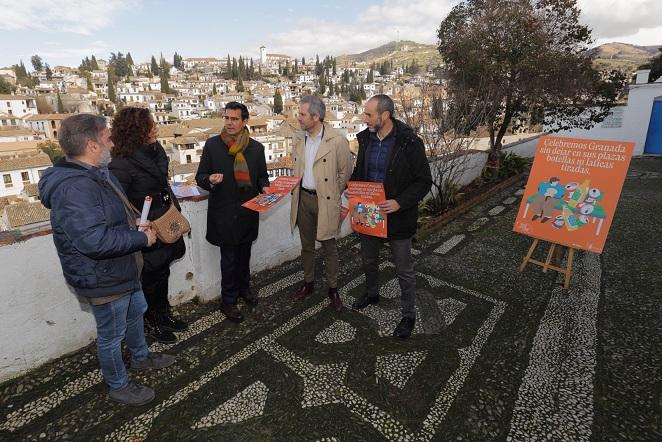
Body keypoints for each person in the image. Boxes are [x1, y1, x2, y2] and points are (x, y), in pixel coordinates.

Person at [39, 114, 175, 406]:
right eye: (107, 137)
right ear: (91, 144)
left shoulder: (96, 172)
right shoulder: (74, 187)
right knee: (111, 335)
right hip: (102, 275)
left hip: (122, 267)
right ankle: (118, 384)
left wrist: (135, 220)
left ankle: (140, 357)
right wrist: (142, 238)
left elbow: (113, 216)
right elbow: (93, 240)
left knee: (137, 311)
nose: (113, 142)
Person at [348, 94, 432, 339]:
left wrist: (399, 202)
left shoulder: (409, 142)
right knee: (368, 260)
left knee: (404, 270)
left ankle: (408, 315)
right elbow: (360, 171)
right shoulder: (365, 140)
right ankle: (372, 293)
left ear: (385, 116)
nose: (364, 119)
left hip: (398, 216)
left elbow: (423, 181)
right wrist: (352, 188)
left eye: (369, 114)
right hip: (368, 213)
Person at [109, 107, 188, 344]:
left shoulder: (155, 151)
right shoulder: (121, 164)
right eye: (149, 125)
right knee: (148, 279)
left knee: (162, 273)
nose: (155, 128)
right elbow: (118, 202)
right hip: (146, 229)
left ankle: (163, 315)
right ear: (135, 131)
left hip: (165, 221)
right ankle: (150, 323)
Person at [196, 102, 270, 323]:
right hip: (224, 214)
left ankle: (244, 290)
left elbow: (262, 177)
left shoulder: (257, 149)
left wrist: (265, 187)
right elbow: (200, 176)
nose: (229, 123)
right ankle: (228, 300)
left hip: (248, 212)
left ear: (245, 121)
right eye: (226, 118)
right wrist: (209, 179)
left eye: (234, 119)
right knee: (228, 259)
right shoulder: (212, 146)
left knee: (244, 255)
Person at [290, 95, 353, 311]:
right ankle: (309, 283)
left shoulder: (337, 141)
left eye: (302, 114)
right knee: (306, 245)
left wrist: (331, 192)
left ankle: (333, 288)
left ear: (316, 117)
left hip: (325, 200)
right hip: (302, 199)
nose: (298, 118)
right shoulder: (299, 138)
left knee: (329, 247)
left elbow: (345, 173)